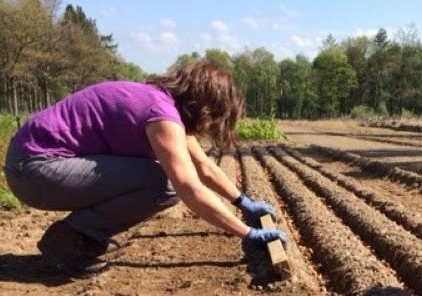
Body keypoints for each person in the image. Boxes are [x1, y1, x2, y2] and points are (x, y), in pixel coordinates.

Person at [3, 60, 287, 277]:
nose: (209, 128)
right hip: (35, 170)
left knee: (160, 177)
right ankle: (71, 239)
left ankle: (81, 234)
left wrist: (242, 202)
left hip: (32, 166)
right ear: (204, 107)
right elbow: (188, 186)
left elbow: (204, 167)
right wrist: (246, 234)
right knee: (163, 182)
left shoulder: (159, 101)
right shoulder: (161, 116)